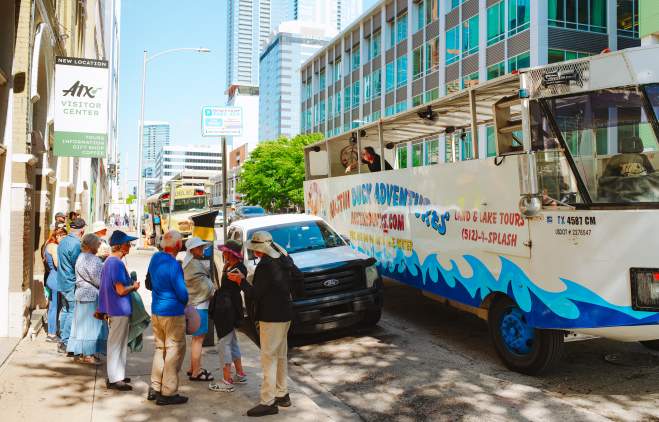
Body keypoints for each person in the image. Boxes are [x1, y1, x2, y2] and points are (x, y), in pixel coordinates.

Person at [228, 231, 302, 417]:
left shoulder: (265, 266)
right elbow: (298, 279)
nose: (254, 252)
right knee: (280, 355)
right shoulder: (284, 259)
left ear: (260, 250)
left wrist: (241, 281)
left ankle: (268, 401)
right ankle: (282, 394)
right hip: (285, 313)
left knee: (269, 358)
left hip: (271, 317)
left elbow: (255, 294)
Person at [147, 230, 189, 406]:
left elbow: (149, 282)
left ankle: (155, 387)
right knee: (174, 350)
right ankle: (168, 392)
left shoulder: (155, 258)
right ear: (178, 246)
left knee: (160, 348)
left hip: (157, 310)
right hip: (172, 312)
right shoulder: (174, 265)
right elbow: (182, 293)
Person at [98, 230, 139, 391]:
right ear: (120, 246)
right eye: (127, 243)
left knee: (118, 343)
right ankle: (115, 378)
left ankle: (117, 375)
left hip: (115, 308)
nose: (129, 246)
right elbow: (121, 290)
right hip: (119, 309)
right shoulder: (116, 263)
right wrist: (134, 287)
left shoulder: (110, 261)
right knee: (116, 344)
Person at [209, 239, 248, 393]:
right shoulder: (232, 266)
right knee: (231, 341)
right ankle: (239, 373)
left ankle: (226, 379)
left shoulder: (236, 269)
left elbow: (233, 283)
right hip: (230, 306)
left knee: (224, 343)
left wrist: (227, 271)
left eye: (225, 251)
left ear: (231, 254)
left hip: (227, 308)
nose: (223, 253)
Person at [67, 234, 108, 364]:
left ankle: (82, 352)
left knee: (82, 326)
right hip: (91, 295)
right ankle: (88, 355)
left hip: (81, 293)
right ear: (91, 245)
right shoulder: (92, 259)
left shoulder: (80, 257)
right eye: (97, 244)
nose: (99, 247)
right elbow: (98, 279)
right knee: (92, 327)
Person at [182, 237, 215, 383]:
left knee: (196, 339)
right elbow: (206, 288)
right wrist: (213, 288)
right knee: (198, 340)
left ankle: (192, 368)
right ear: (192, 250)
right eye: (199, 247)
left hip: (192, 306)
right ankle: (196, 372)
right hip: (199, 307)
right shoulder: (194, 265)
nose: (202, 249)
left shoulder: (188, 263)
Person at [57, 218, 86, 354]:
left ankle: (62, 340)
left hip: (62, 281)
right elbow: (78, 264)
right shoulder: (75, 244)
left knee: (65, 309)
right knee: (71, 312)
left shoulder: (63, 241)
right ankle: (65, 341)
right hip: (70, 282)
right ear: (82, 231)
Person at [42, 226, 67, 343]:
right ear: (57, 236)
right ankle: (51, 334)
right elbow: (57, 264)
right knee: (54, 307)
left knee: (55, 307)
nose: (64, 239)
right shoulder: (55, 246)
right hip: (56, 278)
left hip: (52, 277)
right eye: (63, 237)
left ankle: (53, 330)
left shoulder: (48, 245)